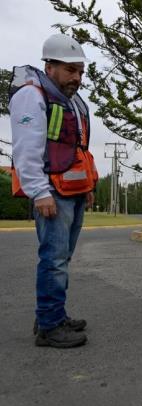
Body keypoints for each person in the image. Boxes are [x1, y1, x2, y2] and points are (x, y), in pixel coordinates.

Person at [9, 34, 98, 348]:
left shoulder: (70, 100)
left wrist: (88, 185)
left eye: (80, 72)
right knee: (54, 259)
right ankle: (48, 326)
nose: (77, 77)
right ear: (50, 66)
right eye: (71, 70)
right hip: (52, 192)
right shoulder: (32, 96)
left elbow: (79, 148)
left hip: (73, 191)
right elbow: (26, 149)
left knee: (63, 257)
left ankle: (53, 315)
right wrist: (39, 191)